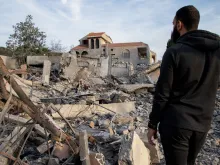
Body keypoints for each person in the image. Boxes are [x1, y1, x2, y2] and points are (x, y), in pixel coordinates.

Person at [147, 5, 220, 165]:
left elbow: (162, 93)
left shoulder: (174, 52)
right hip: (202, 125)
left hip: (176, 124)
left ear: (179, 24)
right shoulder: (216, 52)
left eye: (173, 24)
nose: (173, 28)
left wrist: (152, 124)